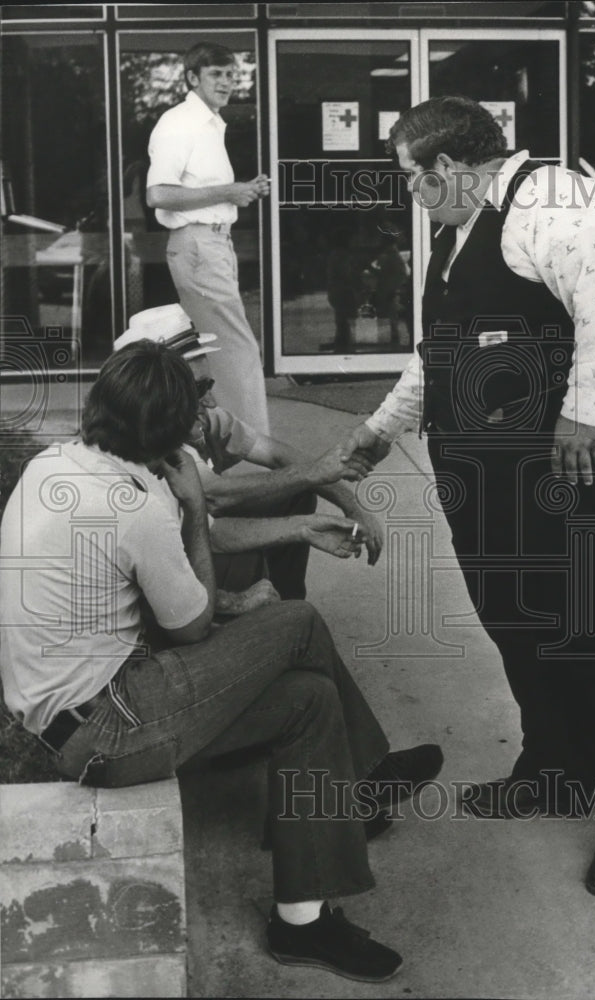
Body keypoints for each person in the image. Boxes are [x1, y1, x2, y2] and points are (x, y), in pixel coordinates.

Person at [0, 341, 444, 982]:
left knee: (307, 700)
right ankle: (366, 778)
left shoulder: (64, 463)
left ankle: (302, 921)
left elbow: (181, 554)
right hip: (109, 727)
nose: (200, 419)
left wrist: (291, 531)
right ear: (159, 425)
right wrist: (199, 509)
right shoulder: (134, 504)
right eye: (190, 410)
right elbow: (194, 623)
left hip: (77, 717)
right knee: (297, 623)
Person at [342, 97, 595, 897]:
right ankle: (552, 766)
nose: (409, 195)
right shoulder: (457, 231)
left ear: (448, 168)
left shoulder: (556, 202)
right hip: (489, 475)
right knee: (516, 616)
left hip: (583, 462)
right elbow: (439, 351)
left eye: (410, 180)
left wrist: (585, 414)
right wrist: (380, 431)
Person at [113, 303, 384, 601]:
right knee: (262, 535)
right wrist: (312, 478)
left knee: (295, 492)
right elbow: (215, 501)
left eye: (208, 385)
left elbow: (278, 454)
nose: (212, 401)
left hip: (195, 534)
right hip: (164, 574)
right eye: (198, 389)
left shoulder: (197, 417)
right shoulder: (150, 438)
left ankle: (287, 605)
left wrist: (352, 505)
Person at [146, 41, 270, 432]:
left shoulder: (210, 124)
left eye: (231, 74)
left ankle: (224, 443)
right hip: (199, 244)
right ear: (192, 78)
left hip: (212, 243)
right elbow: (159, 194)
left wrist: (240, 191)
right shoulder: (180, 123)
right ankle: (251, 451)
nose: (227, 81)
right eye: (216, 74)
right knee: (235, 350)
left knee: (219, 351)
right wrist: (229, 192)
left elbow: (200, 192)